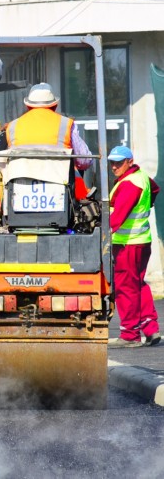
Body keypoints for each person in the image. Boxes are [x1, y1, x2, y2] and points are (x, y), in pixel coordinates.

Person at [106, 145, 160, 348]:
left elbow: (117, 217)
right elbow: (155, 189)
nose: (114, 167)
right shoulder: (141, 176)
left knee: (126, 288)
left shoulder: (129, 184)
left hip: (128, 243)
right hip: (141, 241)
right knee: (138, 284)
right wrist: (147, 204)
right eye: (112, 162)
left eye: (119, 163)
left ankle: (130, 335)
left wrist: (102, 236)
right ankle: (150, 328)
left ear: (130, 161)